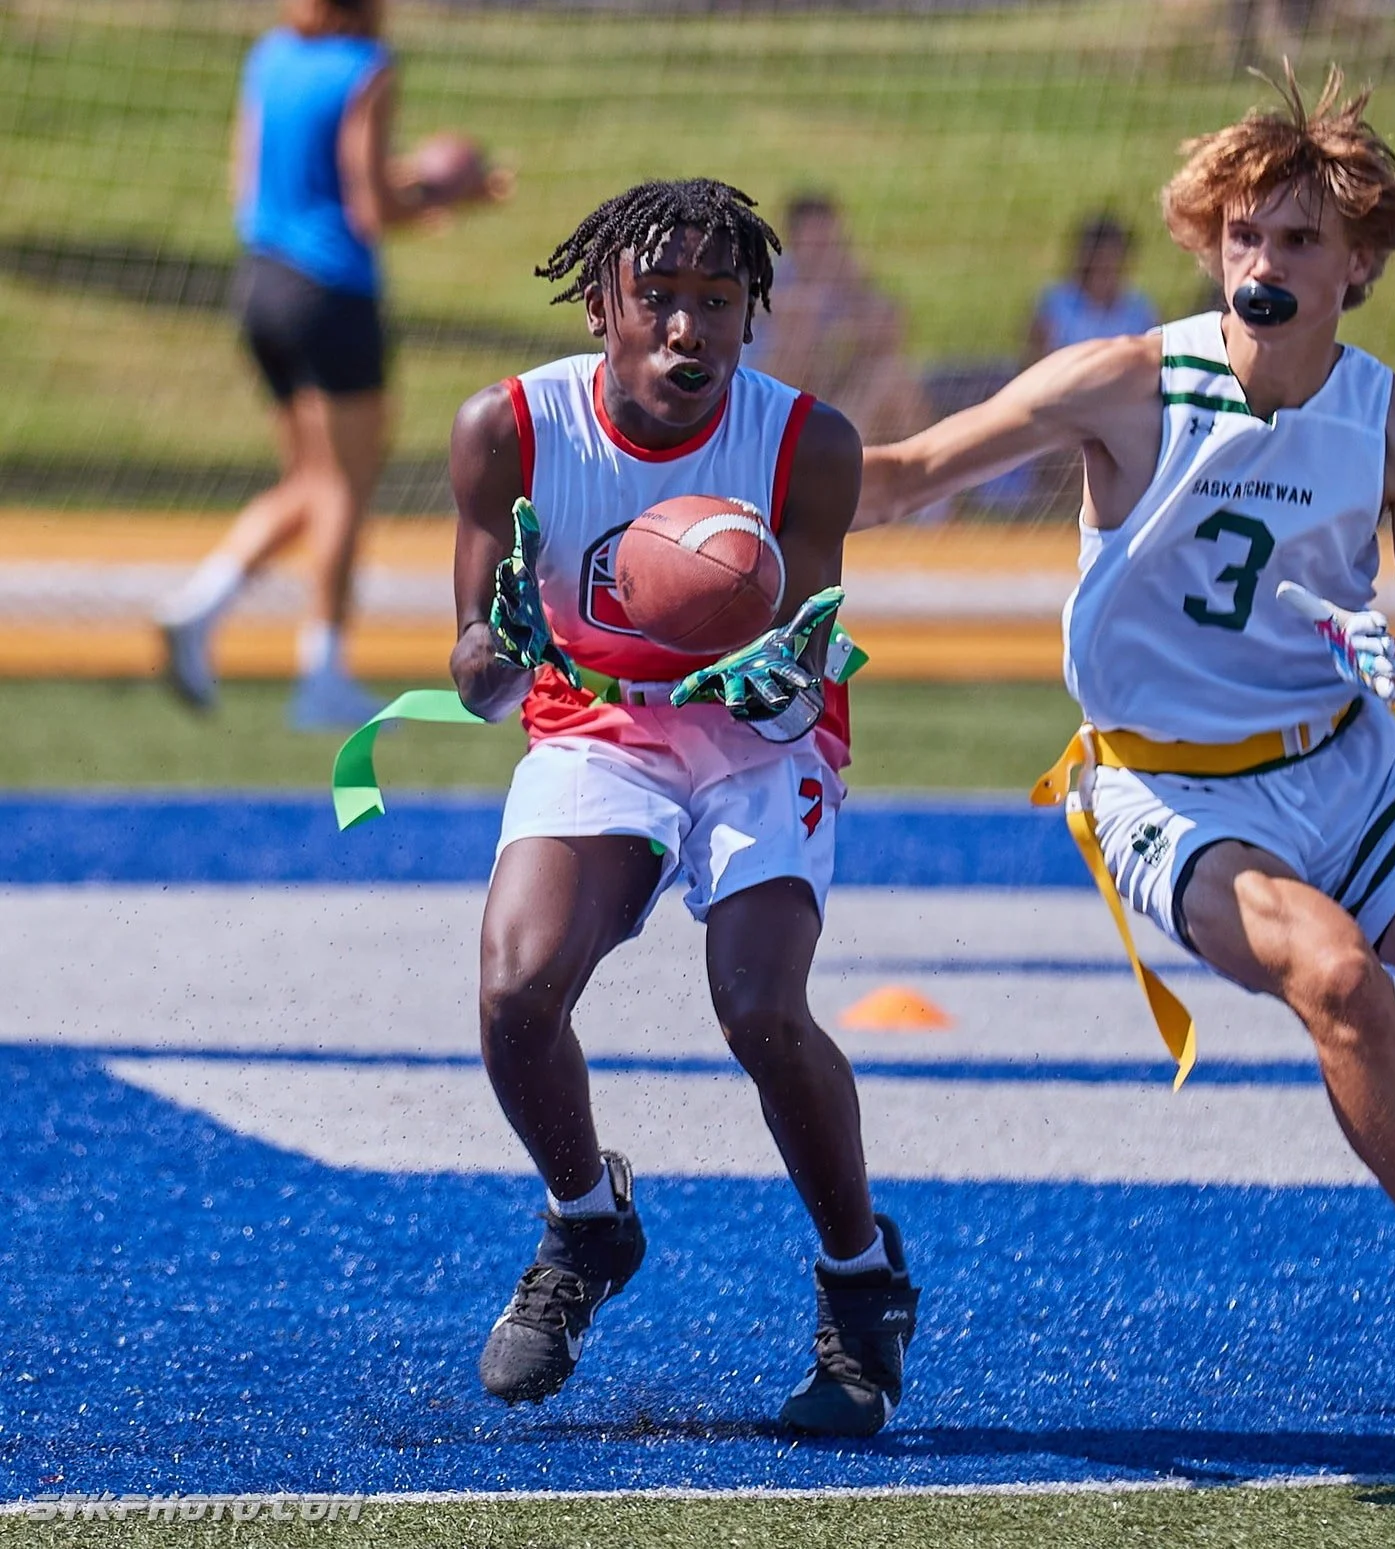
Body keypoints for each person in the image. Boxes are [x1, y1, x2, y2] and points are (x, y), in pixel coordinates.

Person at [856, 68, 1395, 1408]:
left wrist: (1391, 661)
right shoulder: (1127, 384)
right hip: (1170, 792)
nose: (1261, 261)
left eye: (1298, 239)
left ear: (1357, 263)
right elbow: (903, 474)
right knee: (1338, 980)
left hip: (1347, 768)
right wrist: (722, 463)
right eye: (1242, 233)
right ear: (1209, 245)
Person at [446, 178, 917, 1437]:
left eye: (717, 300)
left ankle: (861, 1281)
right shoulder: (509, 428)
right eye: (656, 295)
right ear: (600, 304)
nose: (686, 327)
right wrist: (505, 642)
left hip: (754, 739)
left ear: (751, 315)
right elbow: (478, 679)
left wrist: (773, 666)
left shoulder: (806, 443)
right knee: (515, 990)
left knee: (759, 1007)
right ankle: (585, 1225)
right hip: (596, 718)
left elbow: (802, 669)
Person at [156, 0, 504, 728]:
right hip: (330, 292)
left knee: (311, 482)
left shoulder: (272, 55)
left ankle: (200, 606)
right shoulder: (366, 68)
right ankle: (322, 673)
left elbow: (253, 182)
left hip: (261, 282)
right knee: (346, 485)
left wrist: (407, 181)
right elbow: (371, 209)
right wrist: (451, 194)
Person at [742, 193, 933, 446]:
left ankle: (924, 464)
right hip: (772, 410)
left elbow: (892, 332)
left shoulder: (845, 279)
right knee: (800, 331)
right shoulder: (773, 281)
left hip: (833, 398)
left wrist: (855, 292)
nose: (825, 248)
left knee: (893, 377)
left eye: (830, 239)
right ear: (795, 241)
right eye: (816, 242)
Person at [1022, 215, 1160, 365]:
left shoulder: (1139, 310)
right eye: (1098, 260)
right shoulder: (1055, 305)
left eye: (1111, 261)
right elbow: (1035, 360)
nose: (1104, 266)